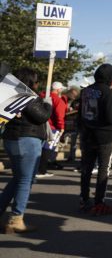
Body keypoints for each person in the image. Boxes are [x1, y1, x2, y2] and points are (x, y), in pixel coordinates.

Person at [0, 67, 52, 234]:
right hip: (27, 140)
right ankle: (16, 219)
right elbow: (42, 116)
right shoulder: (28, 96)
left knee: (17, 178)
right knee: (25, 180)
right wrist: (47, 105)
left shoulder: (9, 94)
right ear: (30, 81)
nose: (37, 83)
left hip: (11, 139)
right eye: (36, 80)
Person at [78, 63, 112, 216]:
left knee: (86, 169)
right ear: (110, 77)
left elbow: (79, 114)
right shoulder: (108, 93)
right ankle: (99, 202)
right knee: (103, 169)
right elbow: (111, 117)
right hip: (103, 136)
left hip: (87, 135)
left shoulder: (85, 91)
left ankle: (84, 199)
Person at [37, 81, 67, 177]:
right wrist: (61, 127)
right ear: (58, 89)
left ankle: (38, 169)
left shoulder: (41, 96)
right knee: (47, 149)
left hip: (40, 125)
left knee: (41, 148)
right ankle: (41, 170)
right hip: (53, 128)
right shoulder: (58, 101)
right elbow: (59, 116)